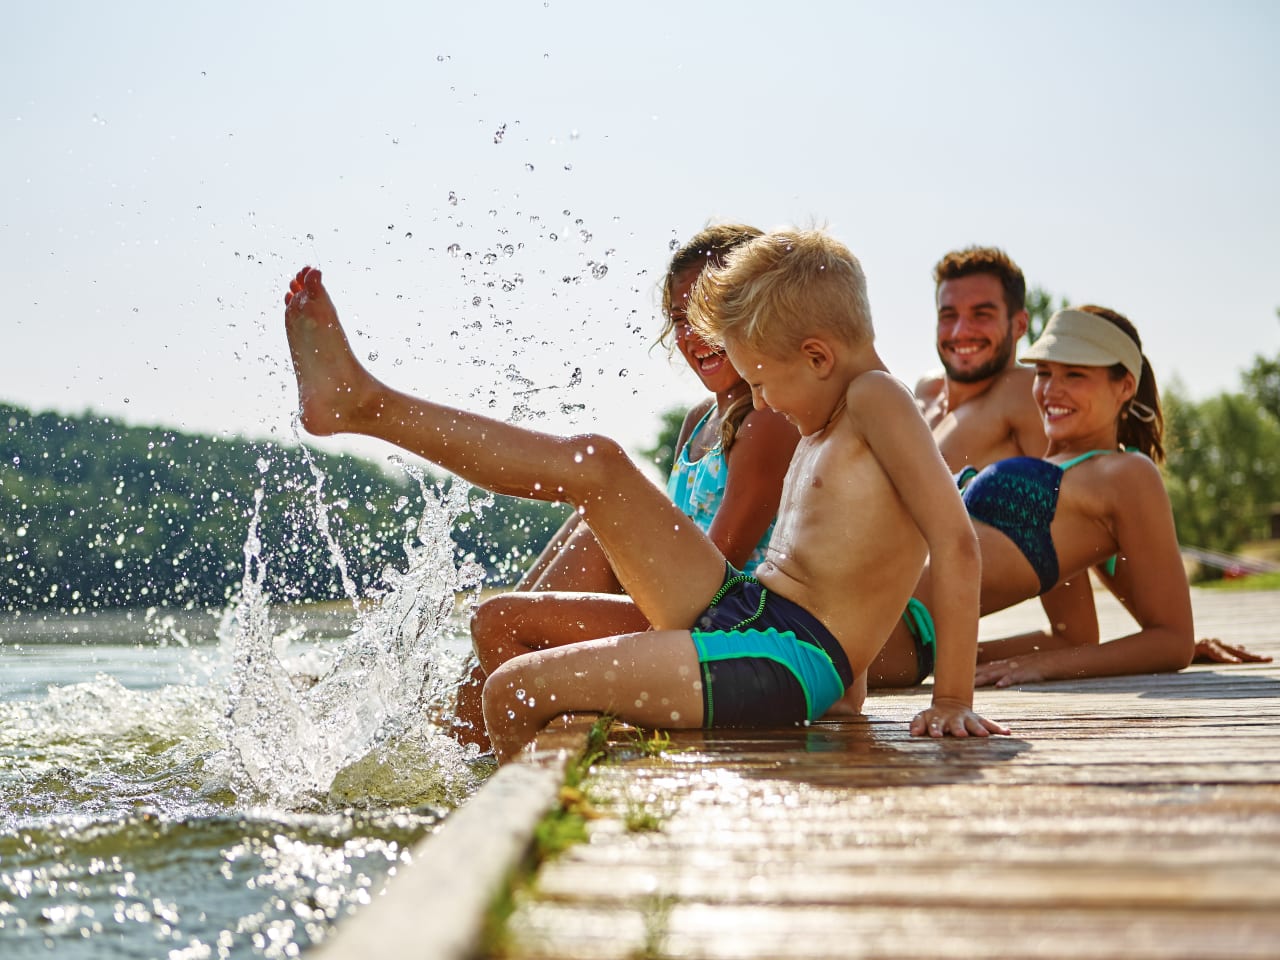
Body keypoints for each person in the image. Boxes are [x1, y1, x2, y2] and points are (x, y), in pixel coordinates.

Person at [283, 229, 1008, 762]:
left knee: (512, 691)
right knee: (598, 464)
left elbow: (954, 542)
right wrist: (849, 690)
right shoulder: (831, 413)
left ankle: (513, 859)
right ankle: (363, 404)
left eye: (762, 381)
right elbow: (846, 559)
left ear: (817, 354)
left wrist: (950, 701)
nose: (760, 400)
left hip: (785, 655)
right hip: (754, 611)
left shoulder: (879, 399)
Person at [454, 225, 799, 748]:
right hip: (683, 612)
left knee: (502, 618)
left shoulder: (766, 421)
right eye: (681, 319)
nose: (694, 334)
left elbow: (717, 578)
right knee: (587, 525)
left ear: (758, 310)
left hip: (726, 632)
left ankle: (486, 760)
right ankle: (460, 739)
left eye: (713, 311)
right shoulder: (698, 422)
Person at [870, 305, 1196, 689]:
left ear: (1124, 386)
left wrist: (1047, 667)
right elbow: (1071, 635)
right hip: (875, 615)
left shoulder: (1126, 474)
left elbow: (1173, 641)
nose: (1051, 389)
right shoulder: (1059, 478)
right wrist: (972, 657)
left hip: (887, 630)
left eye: (1075, 374)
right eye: (1043, 373)